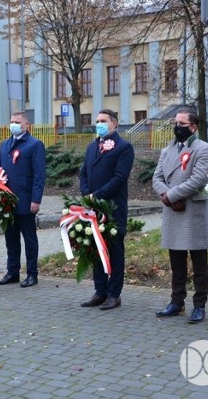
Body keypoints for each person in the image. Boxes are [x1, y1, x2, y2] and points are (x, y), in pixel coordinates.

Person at [152, 110, 208, 323]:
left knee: (199, 264)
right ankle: (176, 302)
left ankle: (200, 306)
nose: (177, 126)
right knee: (176, 263)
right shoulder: (167, 150)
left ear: (193, 127)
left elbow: (198, 179)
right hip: (173, 210)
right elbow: (157, 177)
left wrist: (171, 195)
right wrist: (167, 197)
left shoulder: (204, 149)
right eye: (175, 122)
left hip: (193, 211)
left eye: (181, 123)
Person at [79, 108, 134, 310]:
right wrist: (86, 194)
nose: (98, 124)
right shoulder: (93, 146)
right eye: (97, 120)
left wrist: (98, 195)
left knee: (114, 252)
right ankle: (100, 291)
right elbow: (83, 172)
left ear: (114, 124)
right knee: (96, 251)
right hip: (93, 209)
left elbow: (119, 178)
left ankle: (114, 294)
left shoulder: (124, 147)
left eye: (103, 120)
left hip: (113, 208)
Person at [0, 111, 46, 288]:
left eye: (17, 122)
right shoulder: (5, 145)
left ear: (26, 125)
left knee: (29, 239)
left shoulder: (34, 144)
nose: (13, 124)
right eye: (11, 121)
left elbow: (39, 175)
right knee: (11, 239)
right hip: (7, 202)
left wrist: (36, 199)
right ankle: (12, 272)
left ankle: (32, 274)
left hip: (25, 200)